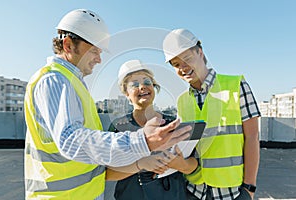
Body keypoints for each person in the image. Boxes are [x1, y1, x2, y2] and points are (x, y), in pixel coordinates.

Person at [23, 10, 191, 200]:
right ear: (68, 45)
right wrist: (142, 142)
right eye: (95, 50)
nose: (99, 59)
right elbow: (70, 139)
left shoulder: (71, 83)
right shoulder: (54, 80)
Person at [162, 29, 261, 200]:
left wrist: (249, 187)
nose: (183, 68)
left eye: (187, 59)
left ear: (199, 53)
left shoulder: (236, 86)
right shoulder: (182, 100)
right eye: (176, 64)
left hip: (232, 192)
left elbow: (252, 137)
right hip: (194, 190)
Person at [106, 59, 195, 200]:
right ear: (126, 93)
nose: (142, 87)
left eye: (147, 82)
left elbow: (193, 165)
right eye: (134, 84)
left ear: (154, 87)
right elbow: (107, 174)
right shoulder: (119, 127)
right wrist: (141, 165)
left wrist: (180, 164)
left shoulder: (172, 123)